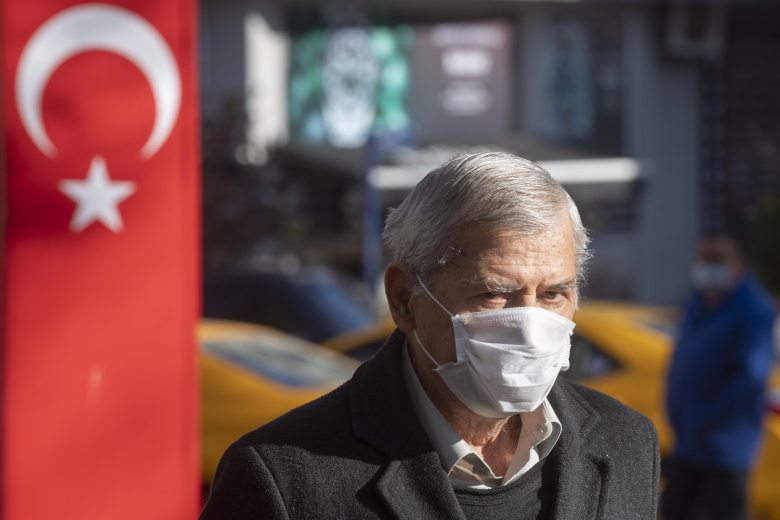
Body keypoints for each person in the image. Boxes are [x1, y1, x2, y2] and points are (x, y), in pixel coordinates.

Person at [199, 152, 660, 519]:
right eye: (493, 294)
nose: (529, 324)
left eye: (554, 294)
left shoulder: (625, 442)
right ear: (404, 299)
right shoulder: (283, 476)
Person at [661, 234, 777, 520]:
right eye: (704, 259)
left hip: (726, 444)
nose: (708, 267)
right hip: (688, 440)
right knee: (674, 510)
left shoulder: (755, 309)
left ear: (737, 263)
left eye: (717, 260)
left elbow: (750, 376)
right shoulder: (697, 300)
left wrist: (706, 416)